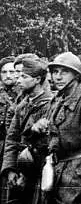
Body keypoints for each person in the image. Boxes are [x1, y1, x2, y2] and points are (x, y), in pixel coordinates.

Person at [32, 51, 81, 204]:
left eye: (64, 72)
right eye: (55, 72)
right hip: (57, 170)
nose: (58, 77)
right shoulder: (58, 98)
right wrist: (36, 128)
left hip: (78, 179)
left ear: (76, 75)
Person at [1, 58, 52, 204]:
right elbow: (11, 139)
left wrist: (25, 174)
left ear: (37, 80)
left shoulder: (50, 105)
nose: (18, 80)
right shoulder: (22, 105)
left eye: (24, 76)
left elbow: (44, 146)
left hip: (37, 171)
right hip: (20, 167)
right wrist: (10, 169)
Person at [0, 56, 21, 203]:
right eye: (4, 72)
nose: (8, 75)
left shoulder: (23, 94)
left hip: (16, 151)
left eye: (12, 71)